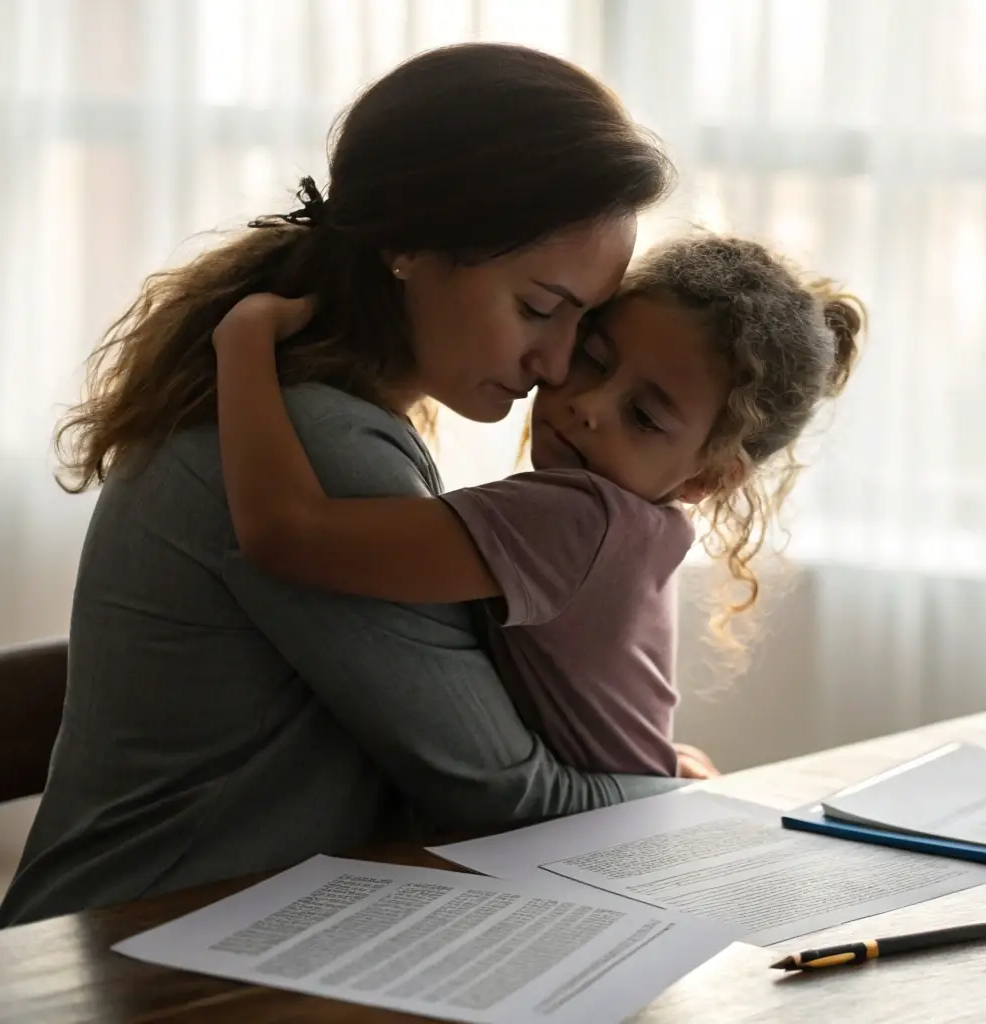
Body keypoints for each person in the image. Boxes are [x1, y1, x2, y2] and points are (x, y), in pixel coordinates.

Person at [0, 42, 690, 929]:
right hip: (139, 957)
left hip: (214, 933)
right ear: (408, 244)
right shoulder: (321, 448)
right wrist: (676, 795)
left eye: (583, 322)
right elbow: (500, 798)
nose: (554, 364)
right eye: (537, 308)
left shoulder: (303, 404)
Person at [210, 234, 864, 778]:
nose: (588, 406)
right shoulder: (638, 522)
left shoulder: (579, 519)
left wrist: (243, 341)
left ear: (708, 479)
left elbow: (286, 535)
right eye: (593, 360)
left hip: (595, 849)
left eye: (641, 415)